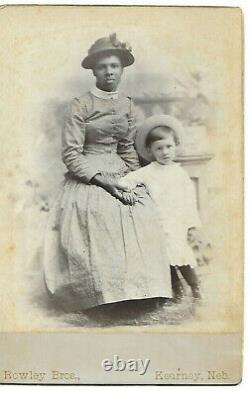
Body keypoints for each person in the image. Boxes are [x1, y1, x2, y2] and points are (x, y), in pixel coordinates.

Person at [43, 33, 172, 312]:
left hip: (120, 168)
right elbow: (71, 154)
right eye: (103, 67)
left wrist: (136, 180)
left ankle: (143, 292)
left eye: (114, 66)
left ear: (122, 69)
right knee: (102, 213)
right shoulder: (79, 105)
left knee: (143, 208)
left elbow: (127, 147)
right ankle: (102, 296)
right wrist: (104, 183)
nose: (109, 72)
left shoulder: (127, 104)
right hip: (88, 172)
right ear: (93, 71)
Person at [118, 115, 202, 301]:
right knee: (164, 258)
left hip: (177, 222)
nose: (164, 152)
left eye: (168, 147)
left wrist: (192, 225)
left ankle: (196, 289)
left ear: (175, 146)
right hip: (158, 221)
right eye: (159, 148)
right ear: (150, 150)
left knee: (180, 255)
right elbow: (128, 181)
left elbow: (189, 201)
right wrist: (118, 183)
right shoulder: (148, 172)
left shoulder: (179, 174)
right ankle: (176, 292)